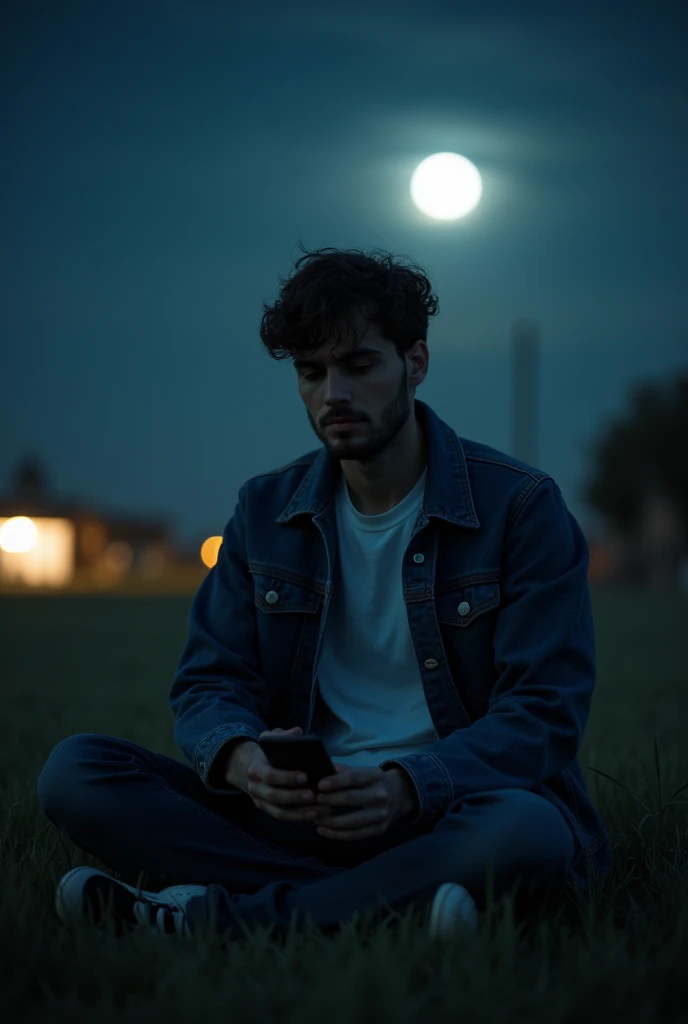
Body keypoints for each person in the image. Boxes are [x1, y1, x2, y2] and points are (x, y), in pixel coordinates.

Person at [37, 244, 611, 942]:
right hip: (296, 819)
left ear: (416, 363)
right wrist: (245, 762)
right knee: (78, 770)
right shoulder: (265, 511)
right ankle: (391, 908)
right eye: (312, 373)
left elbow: (543, 714)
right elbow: (209, 681)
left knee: (528, 828)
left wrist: (405, 785)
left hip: (446, 810)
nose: (333, 394)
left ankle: (213, 919)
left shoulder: (521, 508)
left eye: (359, 366)